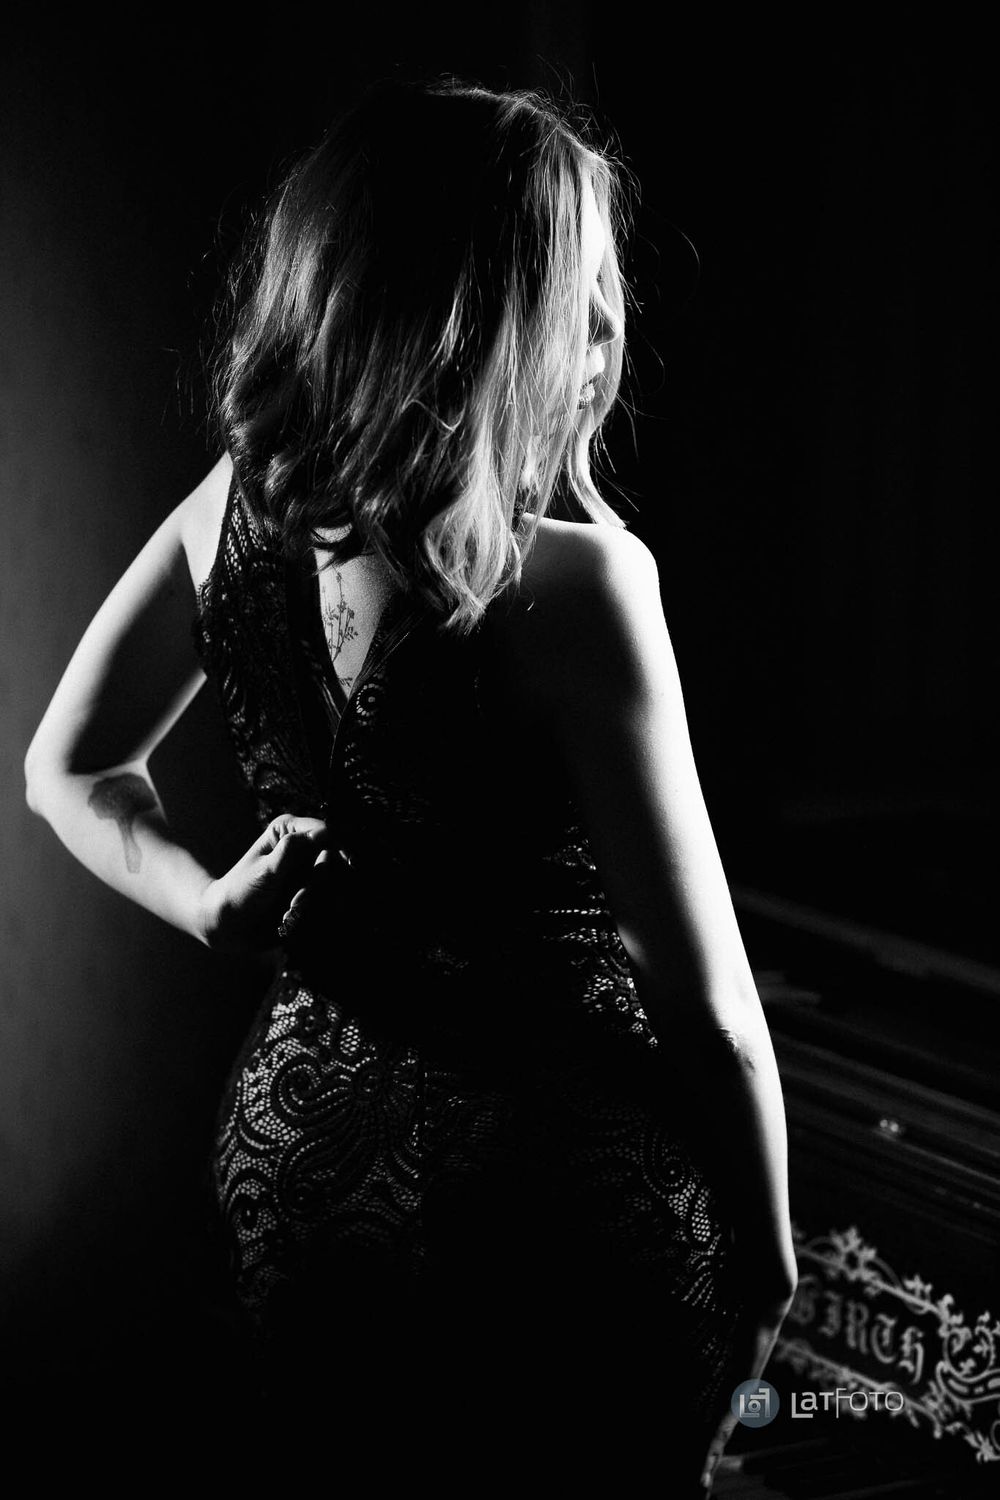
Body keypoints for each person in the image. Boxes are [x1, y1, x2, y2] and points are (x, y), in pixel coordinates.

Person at [24, 80, 797, 1491]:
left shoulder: (234, 509)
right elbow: (709, 1011)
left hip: (304, 1169)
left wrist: (207, 906)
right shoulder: (584, 587)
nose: (607, 329)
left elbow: (63, 767)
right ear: (501, 316)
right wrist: (771, 1263)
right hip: (563, 1202)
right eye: (585, 289)